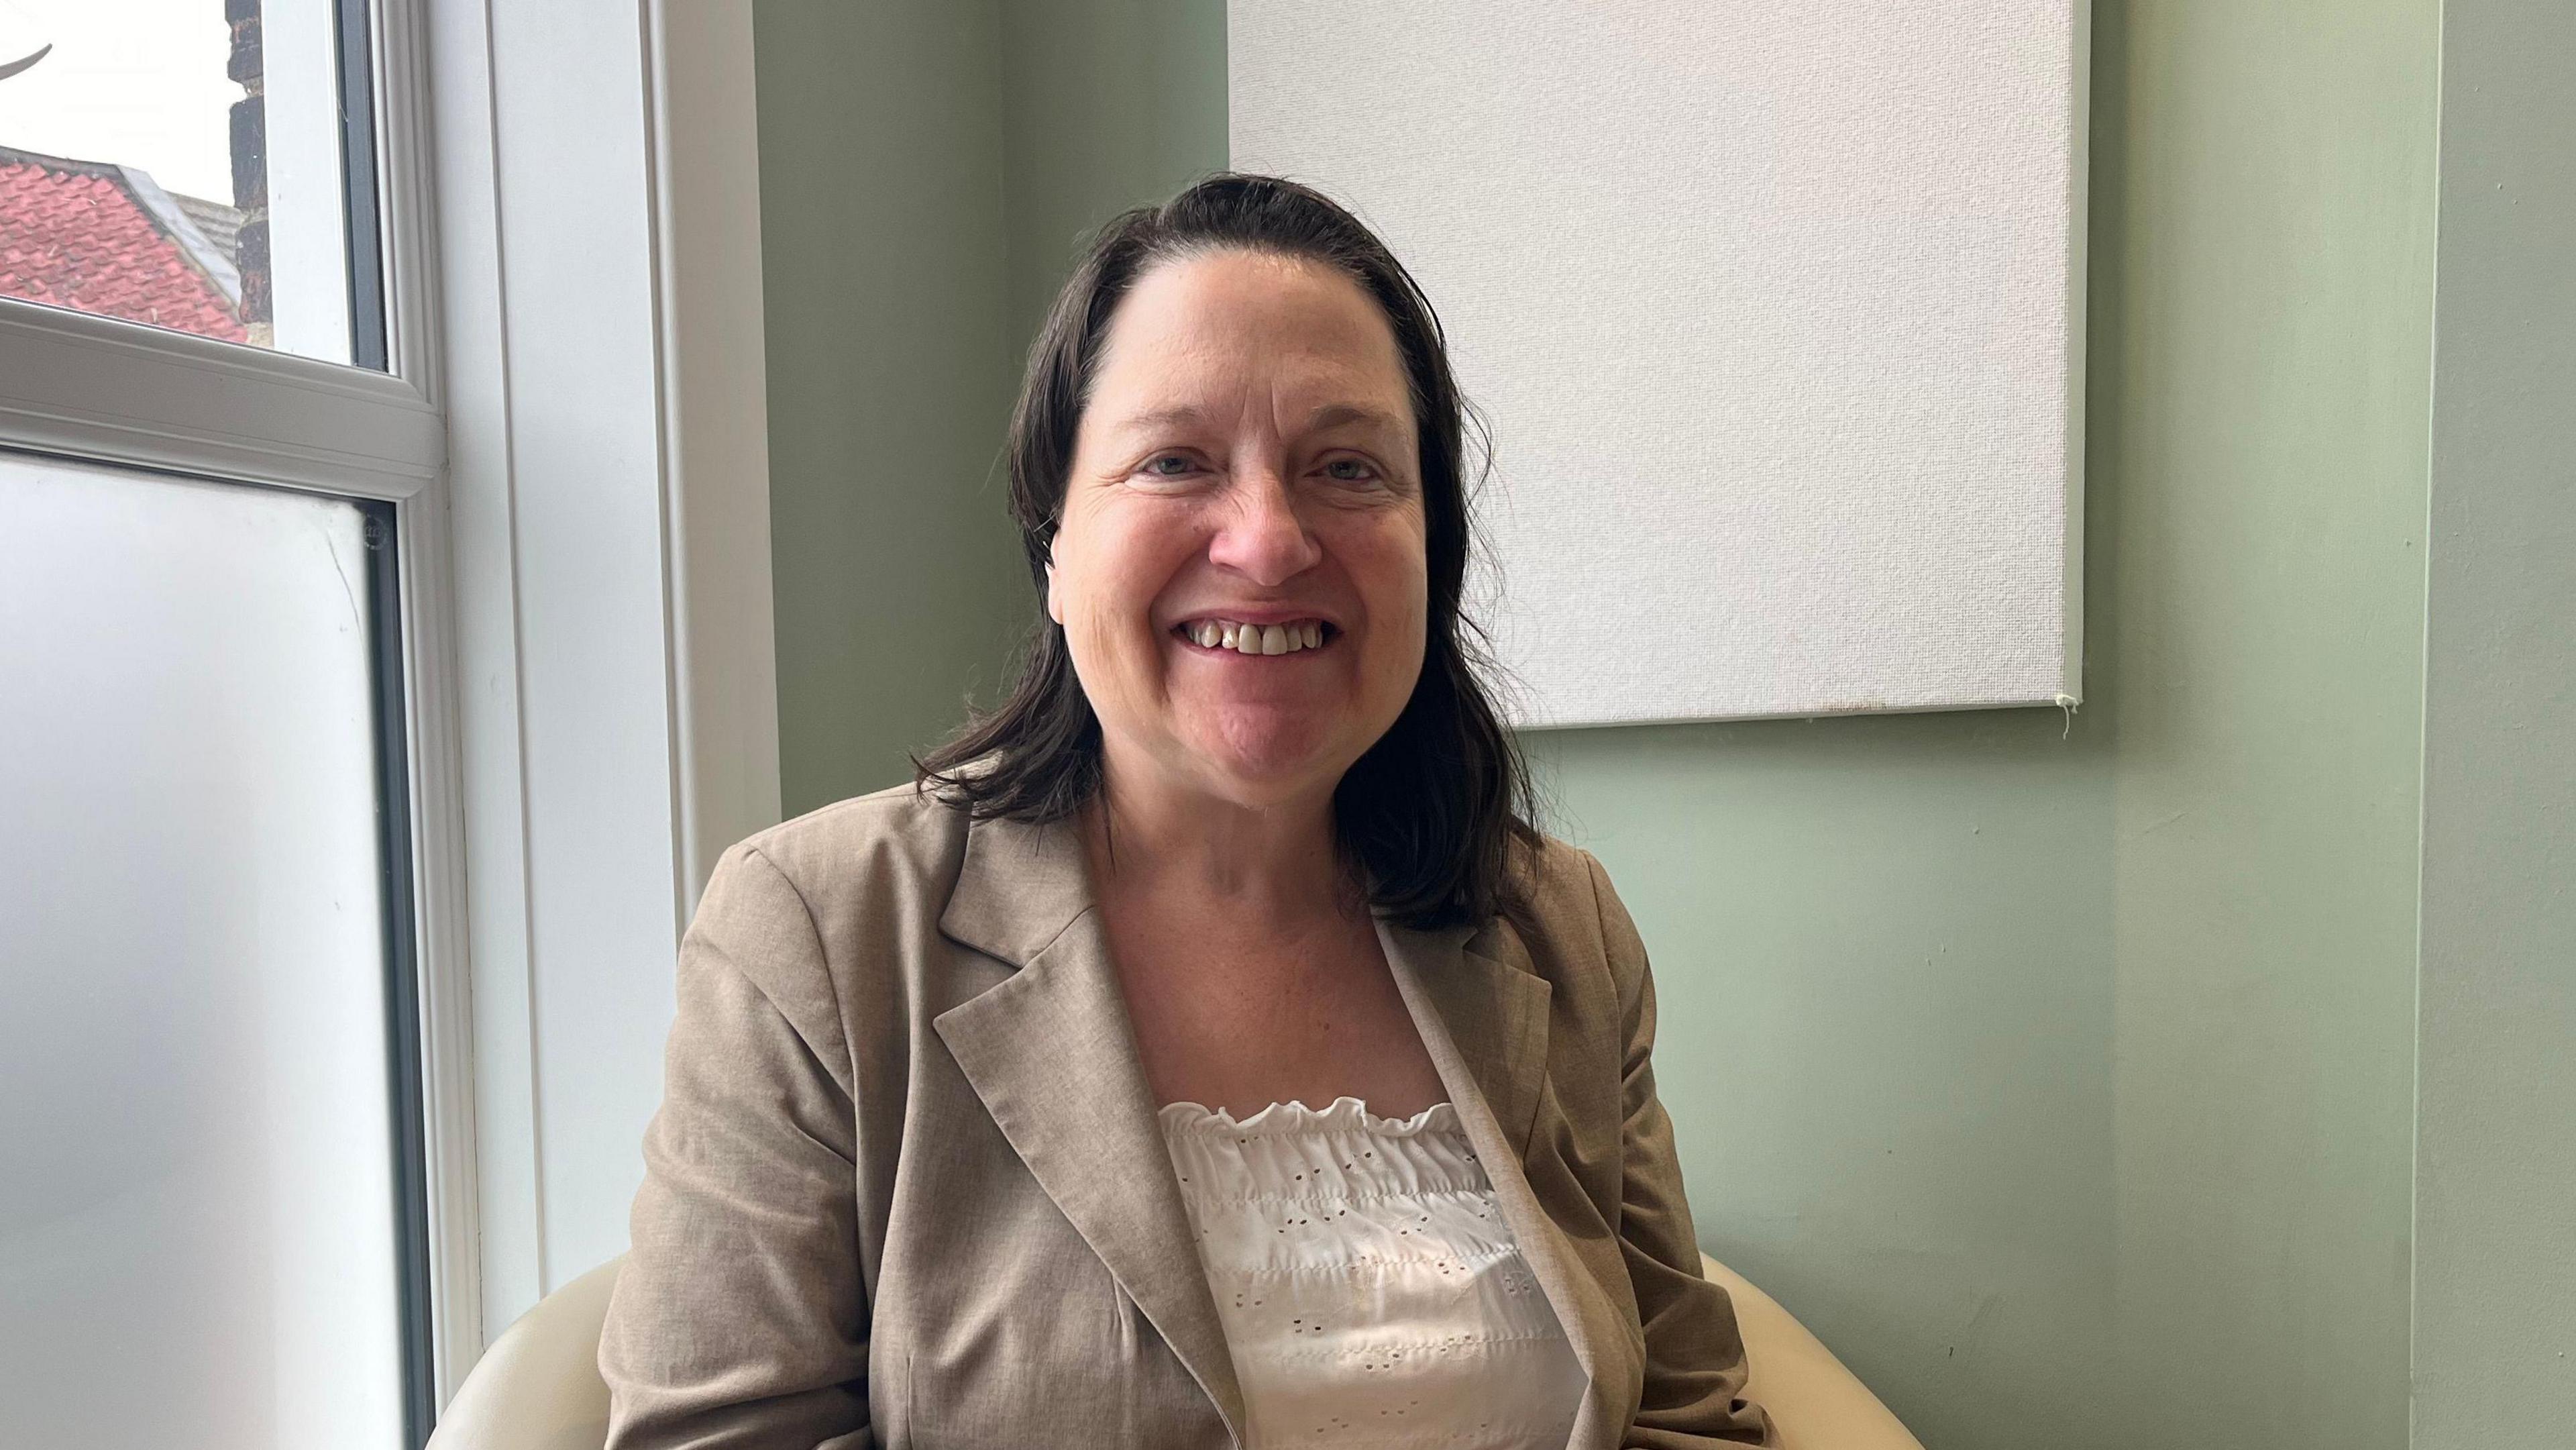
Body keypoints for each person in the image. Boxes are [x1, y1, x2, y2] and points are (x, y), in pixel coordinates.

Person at [598, 172, 1774, 1449]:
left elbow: (1687, 1415)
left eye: (1346, 466)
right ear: (1056, 546)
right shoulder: (820, 933)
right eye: (1175, 460)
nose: (1267, 542)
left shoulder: (1562, 927)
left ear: (1432, 550)